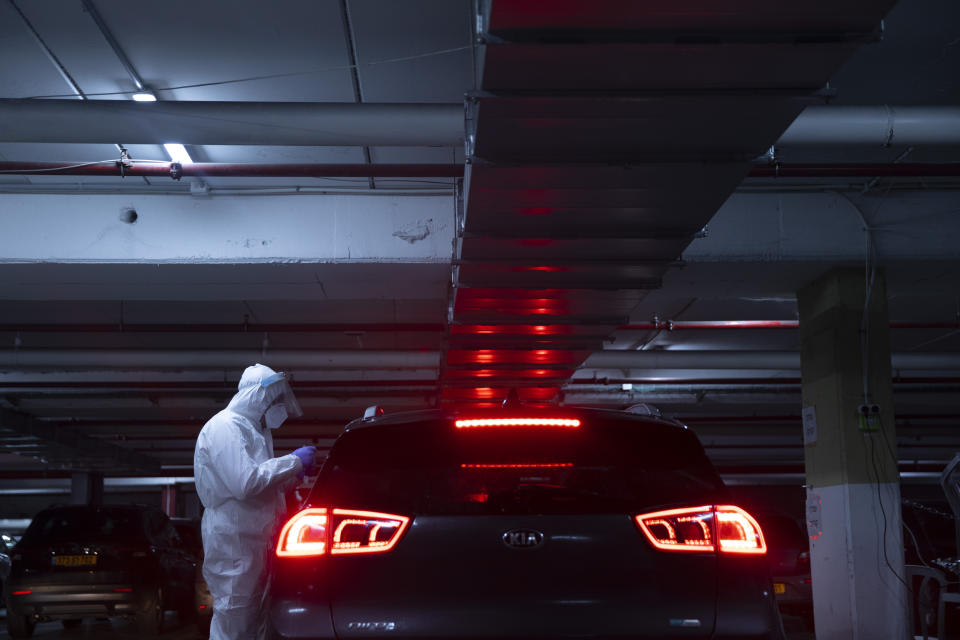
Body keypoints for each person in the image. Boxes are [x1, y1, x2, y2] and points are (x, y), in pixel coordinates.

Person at [194, 363, 317, 639]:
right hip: (234, 546)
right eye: (273, 400)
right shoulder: (224, 427)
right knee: (234, 625)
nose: (277, 407)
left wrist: (293, 476)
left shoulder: (254, 432)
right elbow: (246, 482)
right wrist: (293, 461)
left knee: (254, 624)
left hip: (253, 546)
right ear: (258, 397)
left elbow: (262, 485)